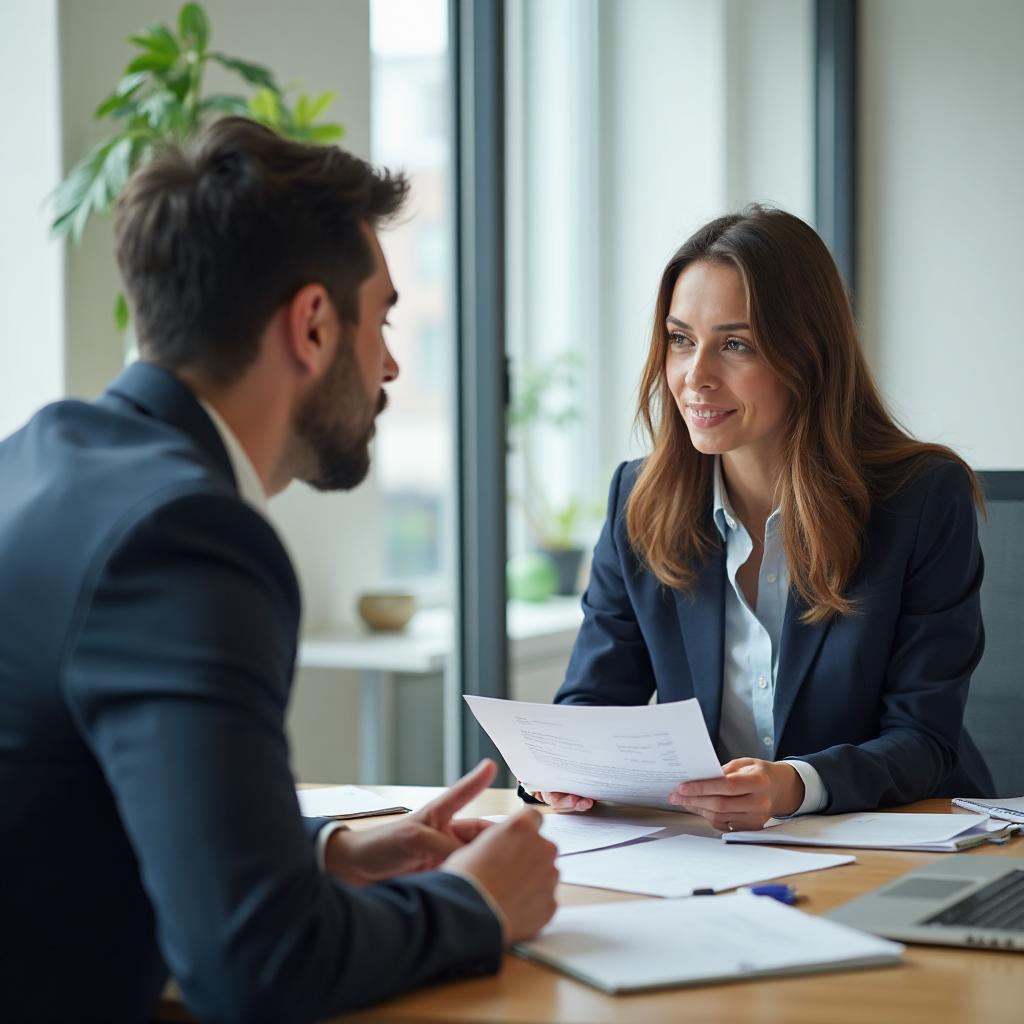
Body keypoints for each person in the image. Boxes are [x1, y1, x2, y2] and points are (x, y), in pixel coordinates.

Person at [0, 117, 558, 1024]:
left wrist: (327, 850)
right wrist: (478, 903)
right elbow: (256, 964)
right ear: (310, 324)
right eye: (378, 319)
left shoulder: (36, 455)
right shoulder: (185, 538)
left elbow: (84, 817)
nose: (388, 363)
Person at [532, 205, 993, 831]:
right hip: (712, 852)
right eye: (680, 340)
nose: (696, 377)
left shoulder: (921, 498)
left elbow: (924, 739)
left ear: (807, 355)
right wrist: (567, 770)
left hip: (897, 838)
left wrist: (793, 786)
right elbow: (595, 700)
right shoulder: (639, 499)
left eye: (735, 344)